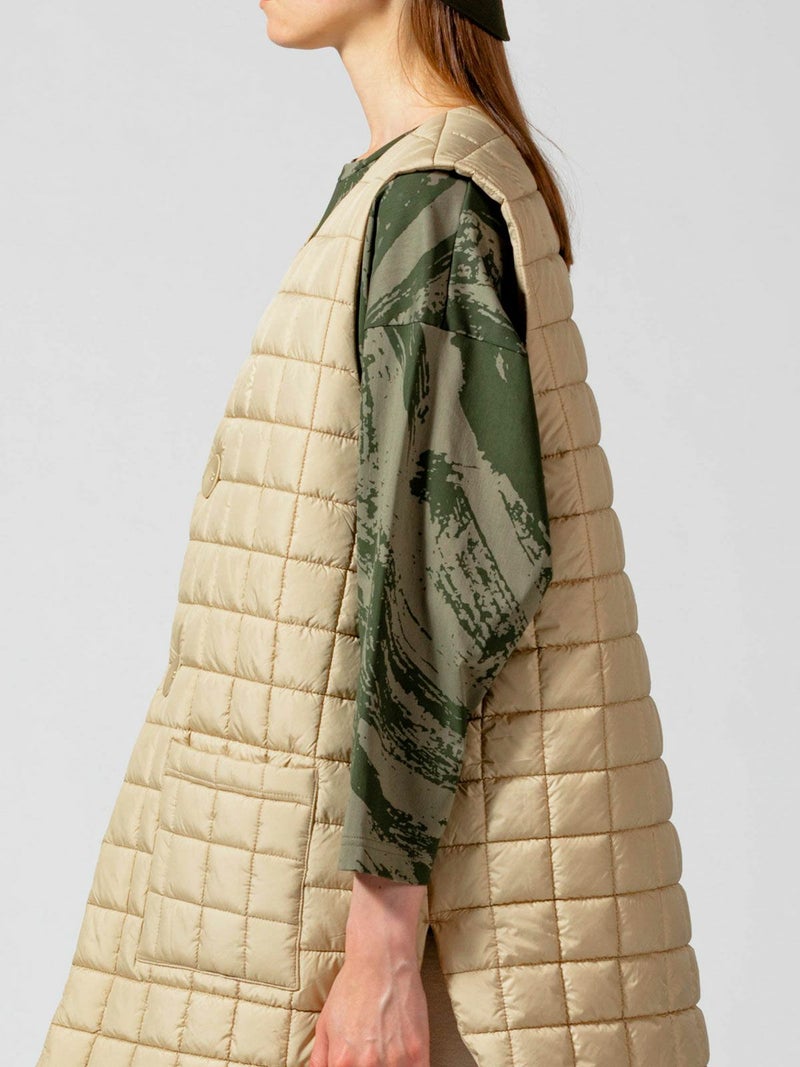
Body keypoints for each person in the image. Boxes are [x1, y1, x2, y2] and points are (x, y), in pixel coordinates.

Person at [35, 3, 710, 1066]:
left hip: (399, 943)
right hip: (289, 891)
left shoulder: (433, 201)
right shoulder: (408, 187)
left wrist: (384, 949)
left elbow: (444, 586)